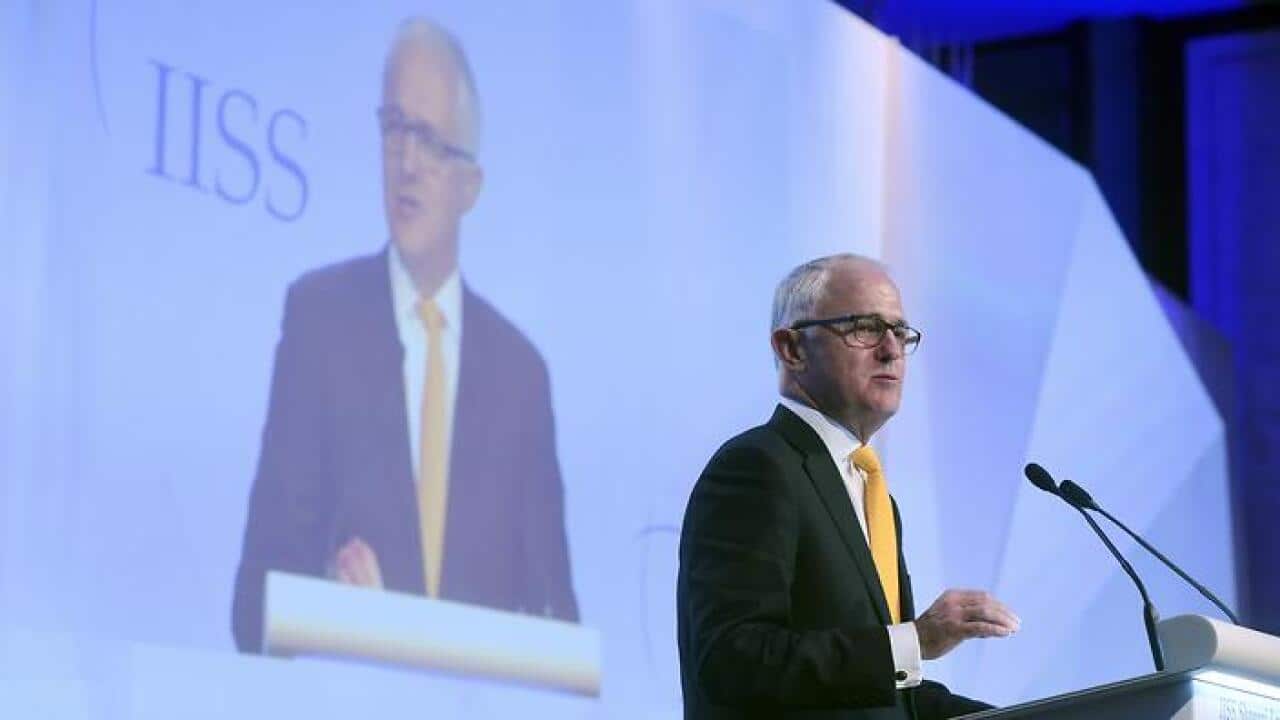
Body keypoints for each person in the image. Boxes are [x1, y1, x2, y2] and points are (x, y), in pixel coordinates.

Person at [231, 18, 578, 653]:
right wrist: (336, 610)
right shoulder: (319, 321)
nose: (407, 163)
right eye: (394, 129)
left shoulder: (520, 375)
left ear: (470, 185)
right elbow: (255, 601)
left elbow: (557, 623)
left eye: (430, 141)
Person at [677, 254, 1019, 719]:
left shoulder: (875, 495)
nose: (891, 350)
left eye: (900, 332)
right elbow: (733, 661)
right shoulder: (755, 468)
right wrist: (915, 641)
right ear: (792, 348)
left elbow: (886, 698)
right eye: (865, 328)